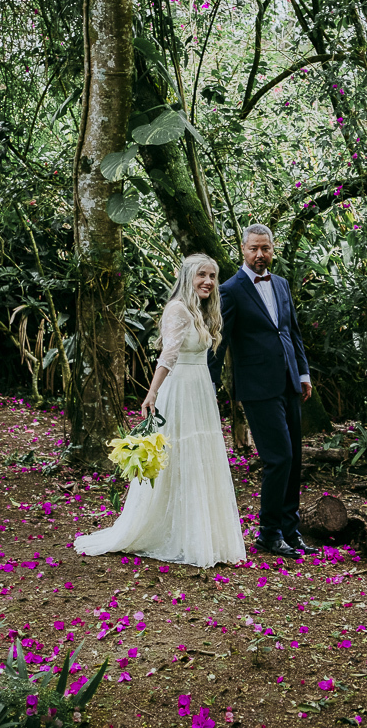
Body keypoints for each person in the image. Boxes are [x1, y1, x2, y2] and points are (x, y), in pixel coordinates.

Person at [74, 254, 245, 568]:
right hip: (179, 390)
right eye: (202, 275)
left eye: (212, 276)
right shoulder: (177, 309)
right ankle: (170, 531)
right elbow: (168, 355)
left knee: (199, 456)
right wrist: (152, 393)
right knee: (176, 455)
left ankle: (200, 535)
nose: (208, 281)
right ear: (188, 277)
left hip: (200, 389)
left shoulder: (203, 312)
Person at [209, 224, 316, 559]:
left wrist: (303, 373)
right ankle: (268, 534)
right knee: (278, 457)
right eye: (254, 248)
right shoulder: (230, 289)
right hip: (256, 387)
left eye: (265, 248)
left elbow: (291, 332)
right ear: (243, 249)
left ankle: (289, 530)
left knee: (294, 458)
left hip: (289, 383)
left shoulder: (282, 284)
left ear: (273, 249)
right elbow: (219, 341)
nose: (260, 255)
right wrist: (207, 386)